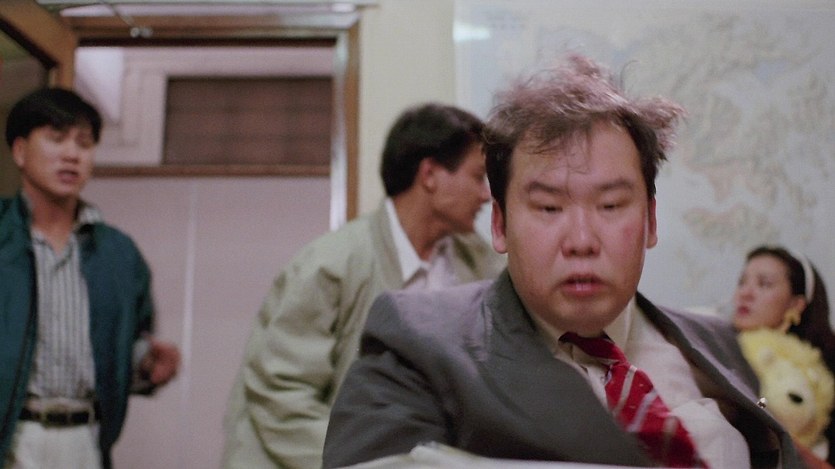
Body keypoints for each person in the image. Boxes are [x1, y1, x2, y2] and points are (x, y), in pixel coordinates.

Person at [322, 55, 806, 468]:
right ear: (500, 225)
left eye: (611, 205)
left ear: (651, 221)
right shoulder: (419, 343)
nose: (581, 241)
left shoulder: (720, 343)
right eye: (549, 208)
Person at [222, 102, 505, 469]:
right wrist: (369, 461)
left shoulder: (480, 263)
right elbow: (281, 395)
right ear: (430, 175)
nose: (485, 195)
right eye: (478, 177)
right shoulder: (330, 265)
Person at [0, 88, 180, 468]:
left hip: (85, 439)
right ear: (20, 151)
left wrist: (148, 365)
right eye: (56, 138)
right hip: (13, 437)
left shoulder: (119, 252)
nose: (72, 154)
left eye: (84, 143)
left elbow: (126, 347)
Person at [734, 245, 835, 466]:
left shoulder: (823, 374)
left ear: (796, 304)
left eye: (764, 284)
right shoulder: (717, 346)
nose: (745, 293)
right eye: (742, 282)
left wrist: (785, 444)